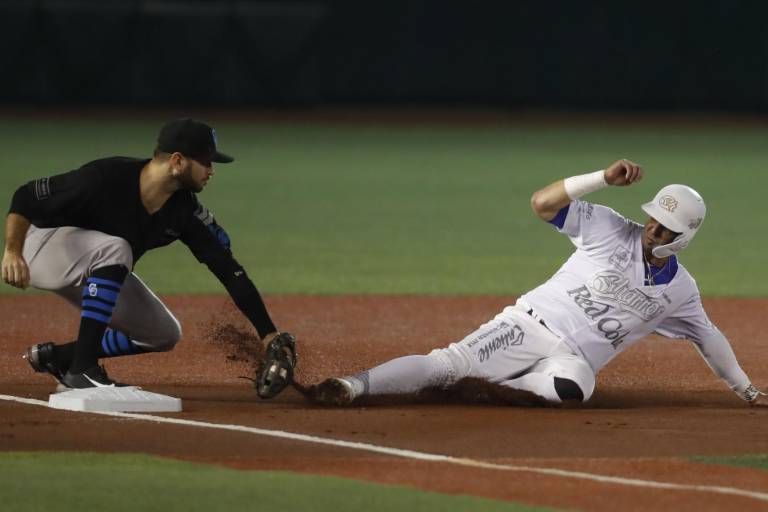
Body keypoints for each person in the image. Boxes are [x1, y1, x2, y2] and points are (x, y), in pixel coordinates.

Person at [312, 159, 767, 407]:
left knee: (572, 392)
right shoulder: (608, 227)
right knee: (447, 365)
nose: (653, 229)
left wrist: (746, 390)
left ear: (684, 237)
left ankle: (494, 390)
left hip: (571, 360)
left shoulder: (680, 291)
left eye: (666, 227)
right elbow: (541, 203)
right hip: (529, 325)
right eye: (654, 218)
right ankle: (352, 386)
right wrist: (601, 179)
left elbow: (709, 338)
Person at [2, 118, 295, 398]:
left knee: (163, 334)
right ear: (178, 161)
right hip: (40, 247)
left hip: (97, 267)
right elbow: (26, 196)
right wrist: (13, 252)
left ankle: (62, 358)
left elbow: (229, 270)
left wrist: (268, 334)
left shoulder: (185, 212)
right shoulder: (106, 177)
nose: (211, 170)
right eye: (205, 161)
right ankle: (83, 371)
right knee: (117, 249)